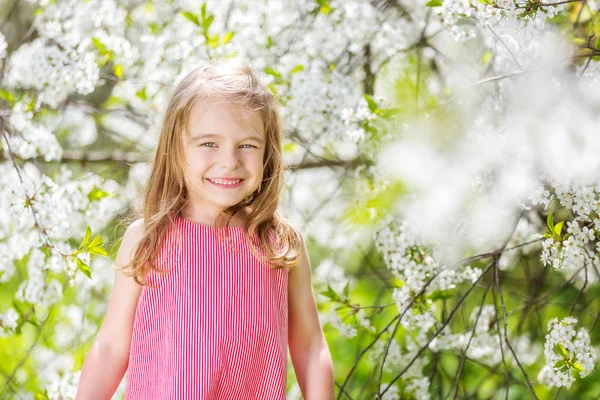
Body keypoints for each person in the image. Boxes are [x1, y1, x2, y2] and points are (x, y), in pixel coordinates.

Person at [75, 59, 335, 399]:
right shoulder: (148, 239)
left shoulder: (280, 244)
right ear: (177, 148)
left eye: (248, 145)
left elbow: (310, 346)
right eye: (209, 143)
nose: (229, 161)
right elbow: (110, 348)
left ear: (268, 153)